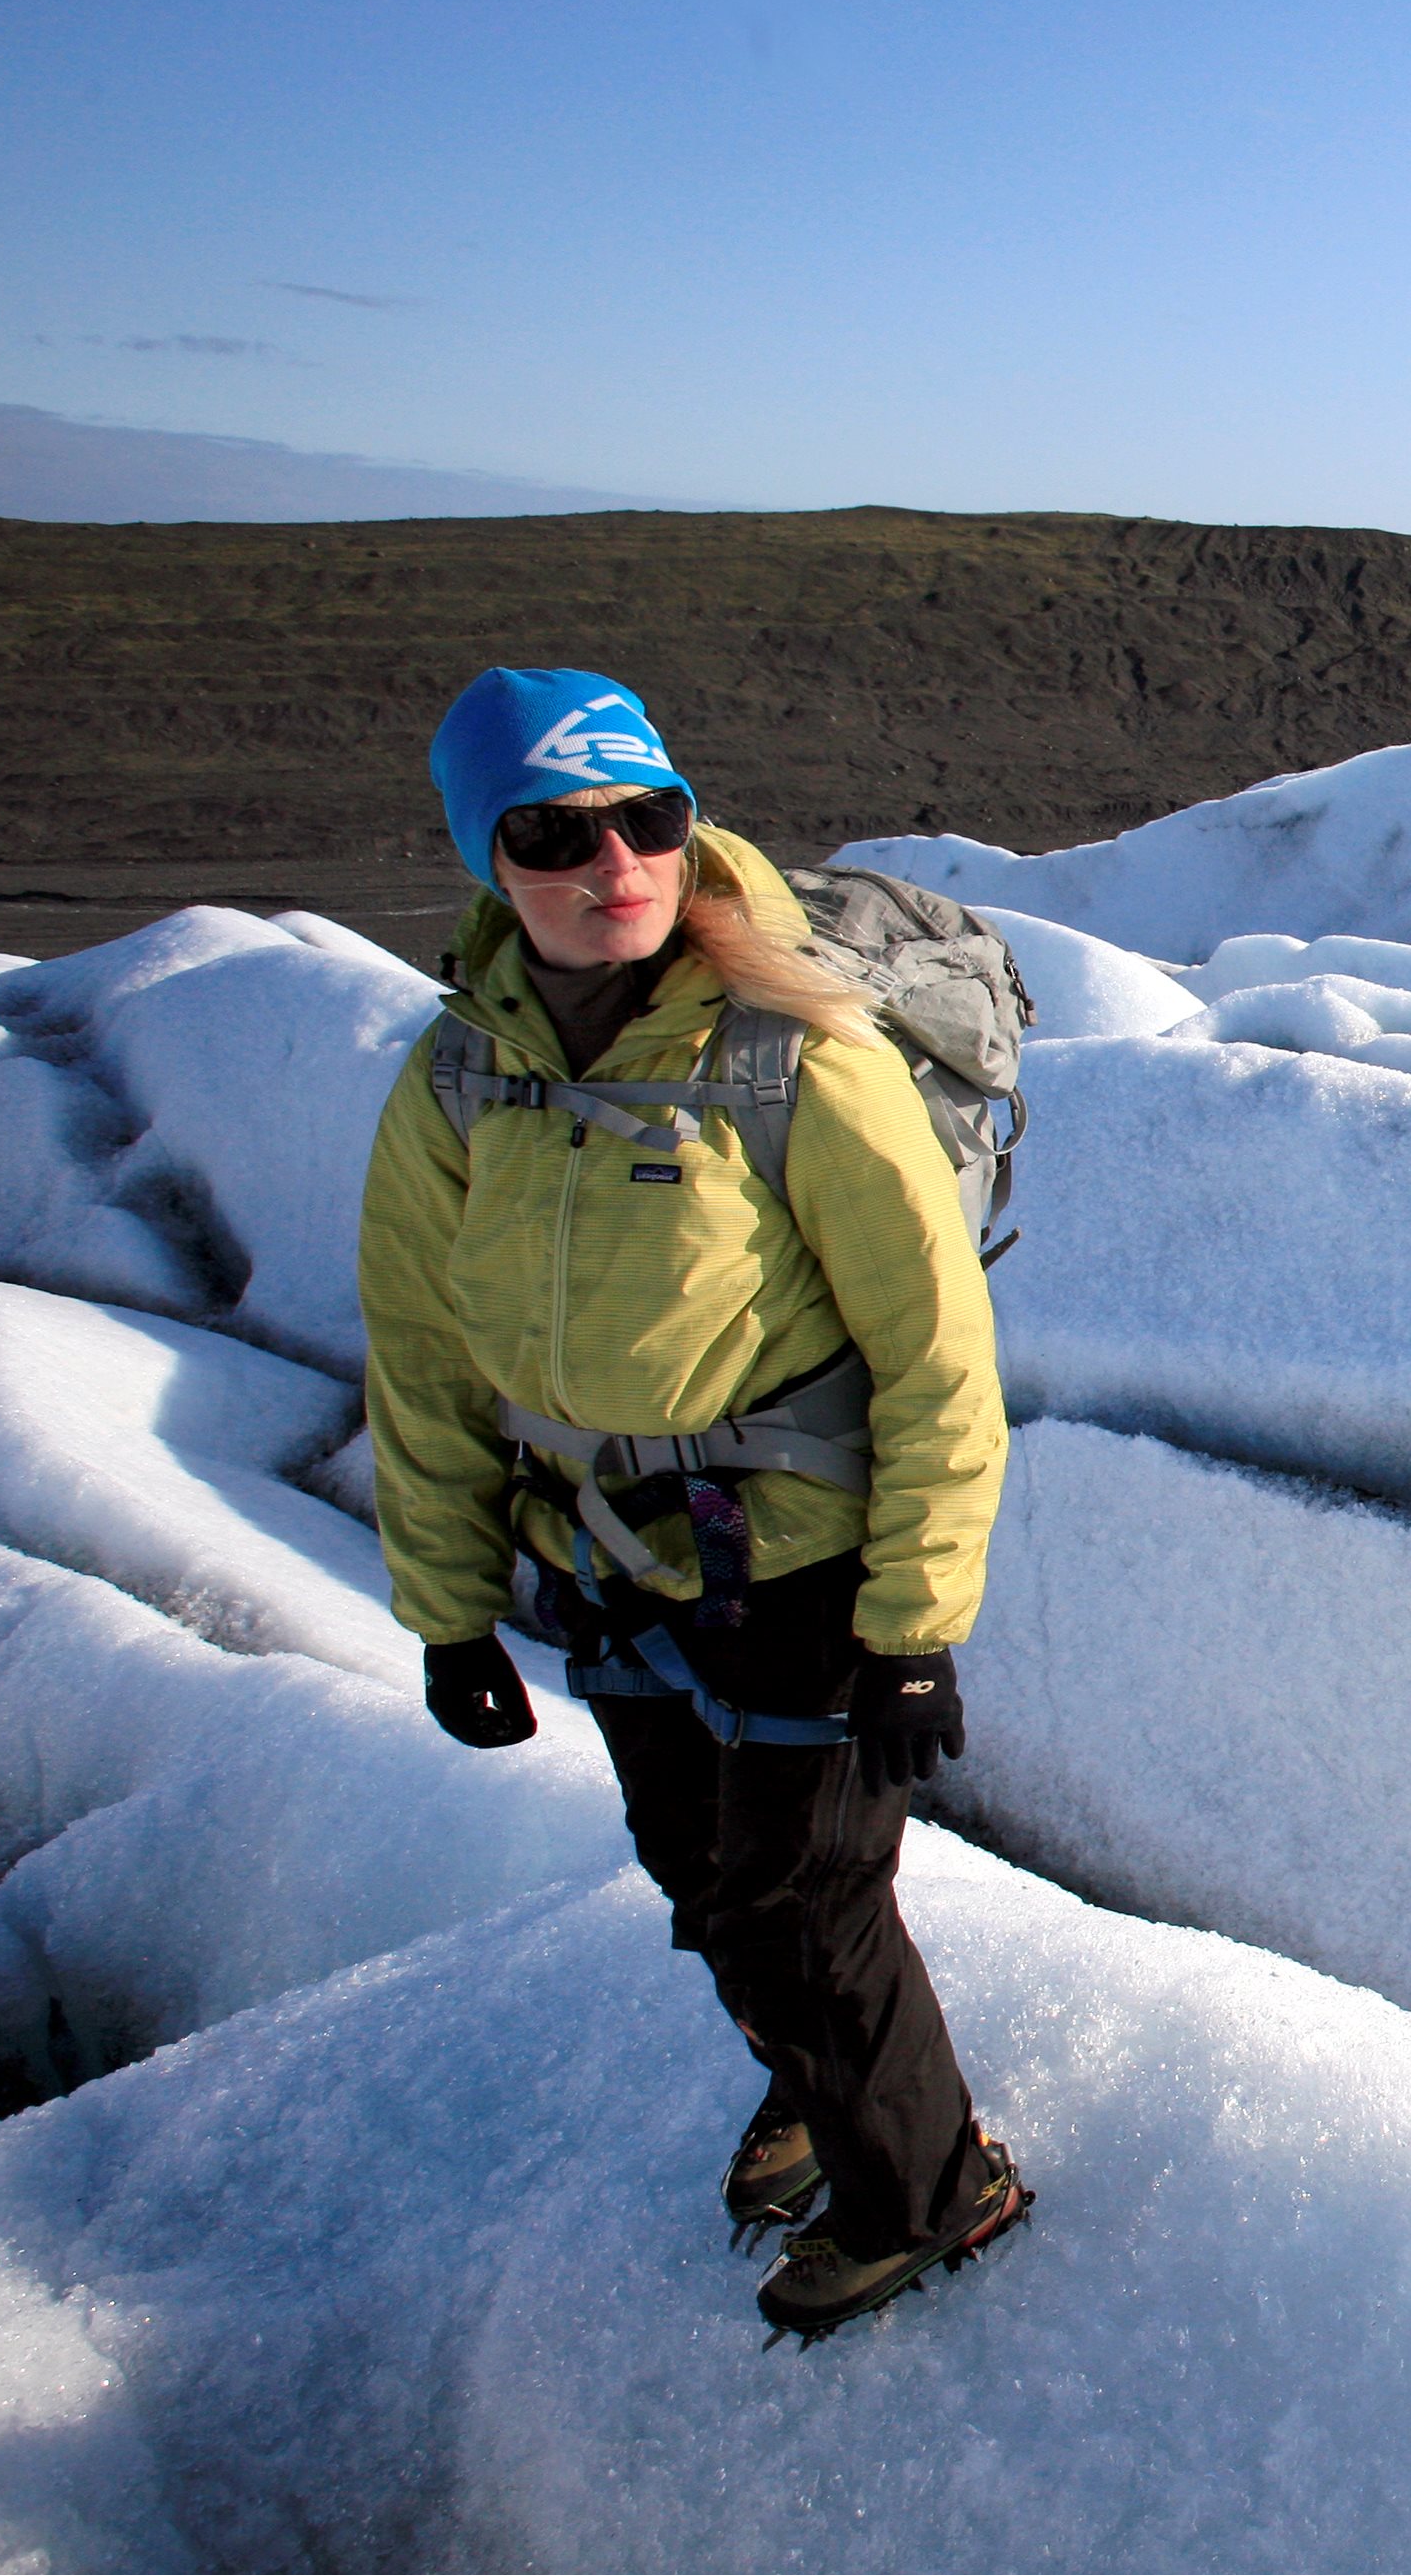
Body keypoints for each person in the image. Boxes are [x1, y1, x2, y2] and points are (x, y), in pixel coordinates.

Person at [357, 665, 1029, 2338]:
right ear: (485, 859)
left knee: (805, 1899)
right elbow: (424, 1360)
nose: (614, 865)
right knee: (698, 1875)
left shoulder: (794, 1054)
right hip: (607, 1561)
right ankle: (811, 2086)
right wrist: (446, 1610)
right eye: (555, 833)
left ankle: (935, 2196)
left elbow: (940, 1357)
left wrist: (916, 1626)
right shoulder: (458, 1084)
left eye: (645, 819)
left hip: (805, 1561)